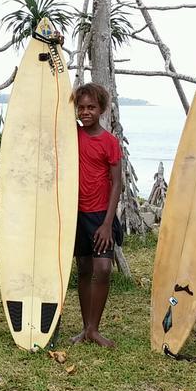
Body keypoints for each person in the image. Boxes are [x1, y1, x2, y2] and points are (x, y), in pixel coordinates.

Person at [69, 83, 122, 348]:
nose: (85, 111)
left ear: (101, 109)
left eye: (91, 107)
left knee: (102, 269)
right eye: (81, 107)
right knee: (84, 268)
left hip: (101, 215)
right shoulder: (71, 135)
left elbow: (117, 183)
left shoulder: (109, 142)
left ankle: (95, 328)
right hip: (75, 214)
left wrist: (107, 224)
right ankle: (86, 328)